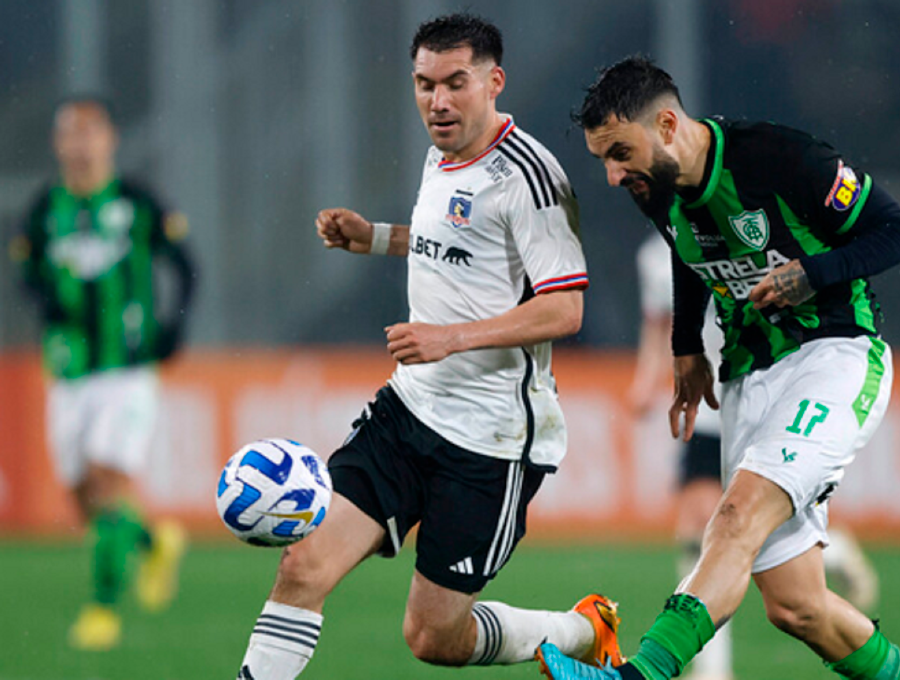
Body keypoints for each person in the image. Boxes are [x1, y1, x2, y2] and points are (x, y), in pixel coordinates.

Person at [235, 13, 621, 680]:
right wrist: (375, 237)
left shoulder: (531, 177)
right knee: (302, 565)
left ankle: (582, 630)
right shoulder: (440, 151)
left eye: (454, 83)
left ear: (494, 82)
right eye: (423, 85)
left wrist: (452, 338)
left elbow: (565, 307)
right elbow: (457, 241)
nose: (436, 102)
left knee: (433, 637)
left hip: (490, 441)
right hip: (408, 413)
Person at [538, 56, 900, 679]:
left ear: (670, 124)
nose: (611, 174)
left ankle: (636, 674)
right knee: (797, 606)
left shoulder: (782, 158)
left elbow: (892, 230)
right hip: (745, 378)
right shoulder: (656, 188)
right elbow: (689, 252)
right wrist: (686, 348)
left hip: (833, 356)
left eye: (619, 152)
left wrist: (813, 273)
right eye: (604, 157)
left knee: (730, 517)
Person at [9, 96, 196, 651]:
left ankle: (102, 609)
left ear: (110, 139)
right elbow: (25, 271)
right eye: (70, 133)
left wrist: (173, 327)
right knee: (82, 497)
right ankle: (153, 541)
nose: (81, 143)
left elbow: (186, 265)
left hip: (127, 370)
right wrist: (47, 301)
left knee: (107, 480)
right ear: (58, 143)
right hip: (67, 370)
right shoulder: (45, 207)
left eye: (91, 132)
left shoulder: (136, 201)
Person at [630, 231, 733, 680]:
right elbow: (657, 326)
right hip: (703, 409)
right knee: (701, 529)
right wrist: (644, 380)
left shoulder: (739, 226)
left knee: (756, 539)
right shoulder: (654, 257)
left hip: (754, 397)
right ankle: (713, 666)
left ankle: (836, 552)